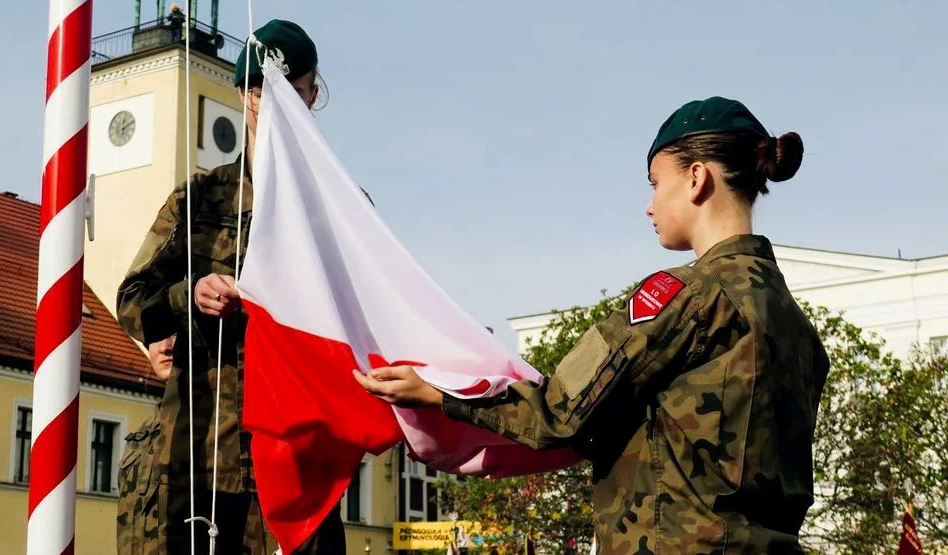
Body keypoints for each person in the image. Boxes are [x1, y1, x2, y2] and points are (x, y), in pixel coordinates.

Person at [354, 97, 830, 553]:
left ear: (696, 179)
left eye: (654, 182)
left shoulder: (684, 298)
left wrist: (437, 394)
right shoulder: (797, 327)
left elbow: (560, 410)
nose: (649, 205)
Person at [117, 19, 344, 555]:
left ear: (313, 94)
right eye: (269, 93)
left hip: (295, 464)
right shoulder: (200, 200)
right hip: (195, 459)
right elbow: (132, 299)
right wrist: (187, 295)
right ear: (246, 95)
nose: (282, 106)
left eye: (297, 92)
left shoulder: (338, 211)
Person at [117, 334, 176, 555]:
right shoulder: (144, 432)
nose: (164, 348)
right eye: (156, 335)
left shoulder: (221, 426)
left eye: (175, 335)